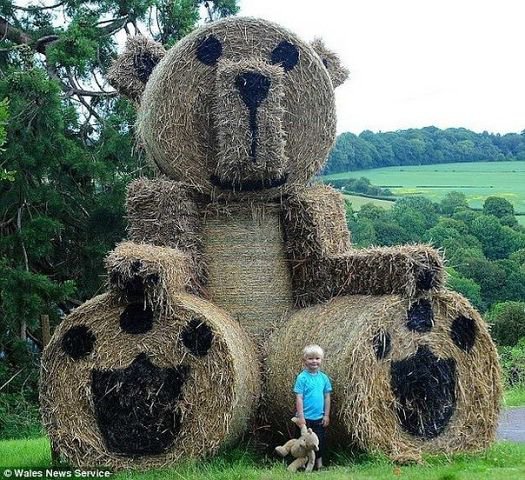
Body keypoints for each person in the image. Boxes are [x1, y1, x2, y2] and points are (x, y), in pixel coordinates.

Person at [293, 344, 332, 470]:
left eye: (317, 358)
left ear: (321, 360)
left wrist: (326, 415)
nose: (314, 361)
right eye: (310, 358)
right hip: (305, 419)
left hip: (319, 418)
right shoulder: (302, 378)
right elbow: (299, 398)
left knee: (319, 442)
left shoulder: (324, 378)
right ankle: (302, 464)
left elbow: (327, 397)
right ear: (304, 360)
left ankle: (319, 465)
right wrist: (301, 416)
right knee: (303, 443)